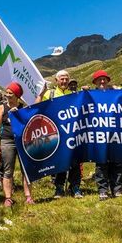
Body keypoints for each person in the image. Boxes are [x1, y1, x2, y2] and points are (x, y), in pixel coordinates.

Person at [42, 69, 81, 197]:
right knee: (60, 161)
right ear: (56, 80)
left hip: (72, 133)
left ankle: (75, 187)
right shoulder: (49, 94)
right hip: (56, 134)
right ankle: (59, 188)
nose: (64, 81)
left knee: (75, 161)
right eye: (62, 79)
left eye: (66, 79)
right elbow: (41, 110)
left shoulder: (73, 94)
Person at [0, 82, 33, 206]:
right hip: (7, 140)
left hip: (23, 141)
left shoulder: (23, 107)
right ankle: (8, 197)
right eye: (7, 92)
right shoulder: (2, 107)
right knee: (8, 170)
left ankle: (28, 196)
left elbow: (29, 123)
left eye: (11, 93)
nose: (7, 95)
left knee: (25, 169)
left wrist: (18, 114)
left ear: (17, 95)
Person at [90, 70, 122, 198]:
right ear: (95, 82)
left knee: (117, 162)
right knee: (101, 163)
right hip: (99, 136)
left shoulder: (115, 94)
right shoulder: (90, 95)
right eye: (99, 79)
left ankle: (117, 189)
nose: (102, 81)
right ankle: (103, 190)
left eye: (105, 79)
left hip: (116, 135)